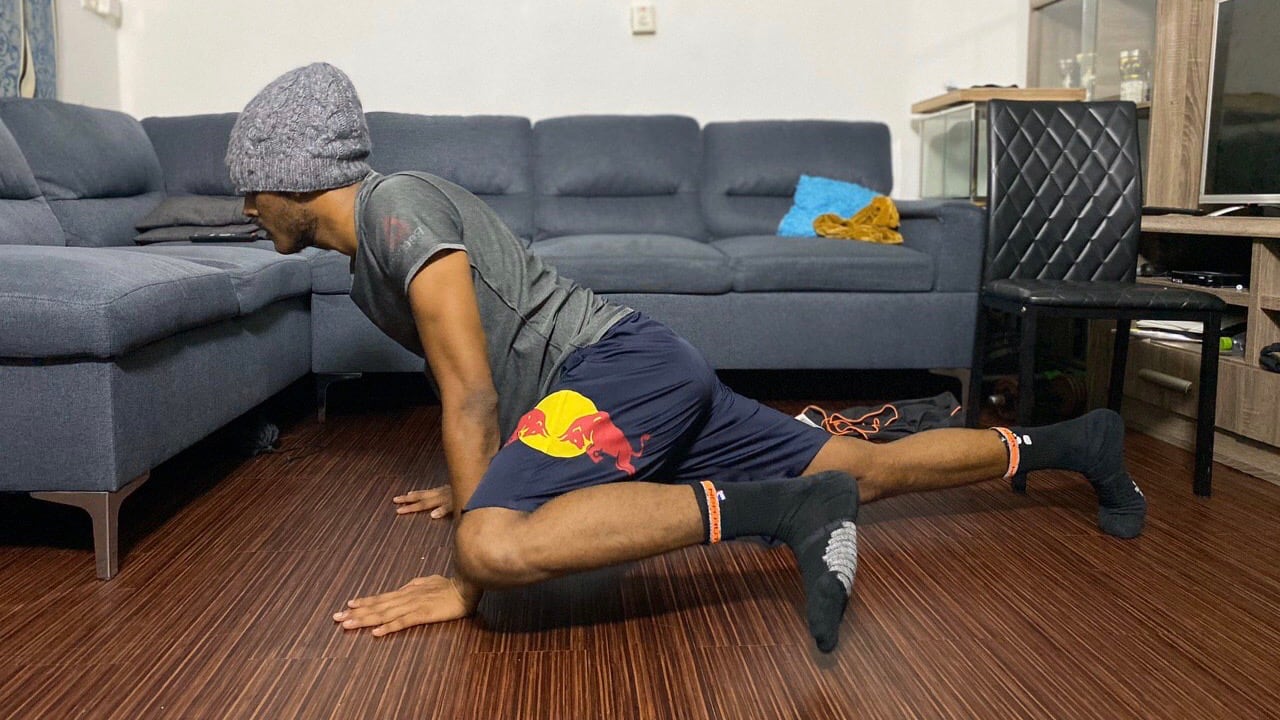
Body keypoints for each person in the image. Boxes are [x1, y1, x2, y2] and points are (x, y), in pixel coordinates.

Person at [225, 63, 1147, 654]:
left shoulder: (395, 210)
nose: (245, 211)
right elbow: (481, 377)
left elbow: (470, 397)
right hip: (637, 375)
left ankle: (784, 509)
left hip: (611, 375)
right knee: (862, 470)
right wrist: (492, 472)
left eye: (249, 191)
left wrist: (470, 573)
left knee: (491, 544)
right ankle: (1078, 445)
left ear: (286, 176)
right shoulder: (371, 260)